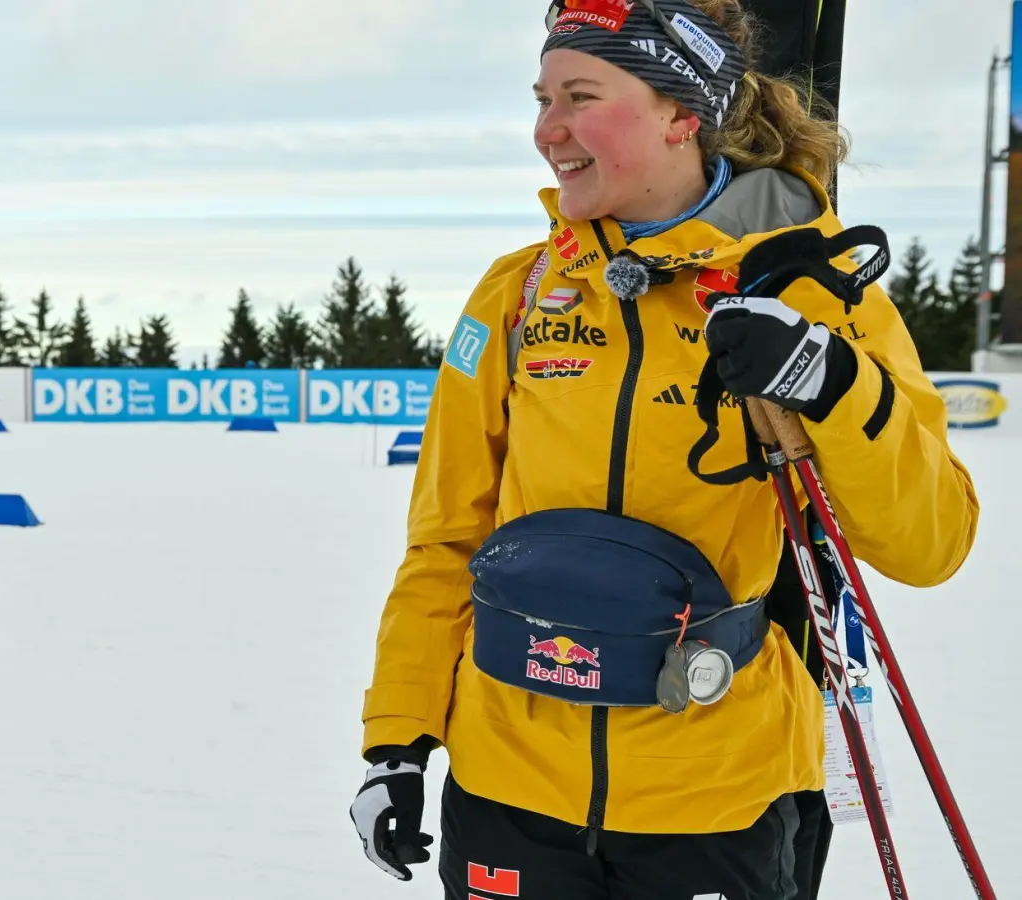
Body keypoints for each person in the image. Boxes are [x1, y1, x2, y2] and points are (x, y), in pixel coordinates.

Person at [347, 1, 979, 898]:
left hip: (718, 801)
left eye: (580, 96)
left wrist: (833, 381)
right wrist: (397, 740)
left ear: (683, 116)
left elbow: (933, 542)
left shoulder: (813, 290)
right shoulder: (517, 294)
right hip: (507, 792)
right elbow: (449, 539)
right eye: (540, 98)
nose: (546, 131)